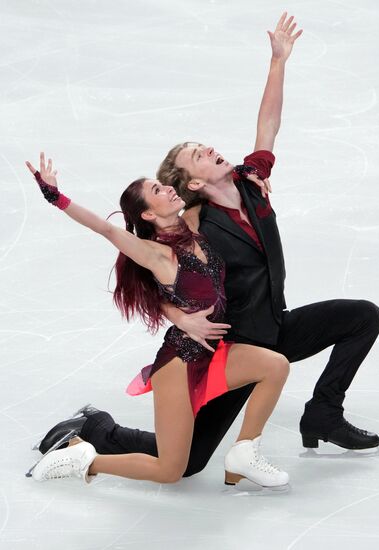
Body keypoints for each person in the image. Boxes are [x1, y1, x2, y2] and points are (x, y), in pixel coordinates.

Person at [34, 12, 379, 478]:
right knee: (190, 461)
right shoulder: (194, 221)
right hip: (233, 342)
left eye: (205, 145)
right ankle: (97, 428)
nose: (212, 150)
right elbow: (158, 270)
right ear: (194, 180)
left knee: (362, 316)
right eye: (197, 154)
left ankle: (323, 412)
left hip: (275, 326)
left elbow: (269, 124)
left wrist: (277, 61)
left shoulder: (252, 181)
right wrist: (177, 315)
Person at [26, 152, 291, 488]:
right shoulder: (156, 253)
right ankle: (83, 459)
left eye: (164, 185)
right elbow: (105, 228)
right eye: (157, 191)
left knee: (275, 366)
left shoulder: (195, 228)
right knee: (171, 470)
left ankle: (246, 451)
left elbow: (217, 186)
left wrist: (248, 172)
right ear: (149, 213)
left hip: (212, 353)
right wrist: (55, 196)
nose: (167, 189)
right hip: (179, 365)